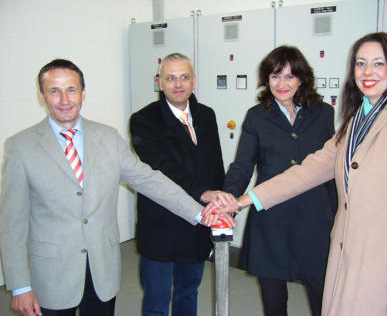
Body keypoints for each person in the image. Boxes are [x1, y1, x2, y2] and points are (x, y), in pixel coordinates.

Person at [211, 32, 387, 316]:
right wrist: (240, 201)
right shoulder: (358, 118)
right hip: (348, 251)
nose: (367, 71)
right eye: (360, 63)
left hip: (386, 260)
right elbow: (307, 170)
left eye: (378, 63)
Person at [0, 59, 231, 316]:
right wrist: (20, 285)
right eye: (54, 91)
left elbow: (149, 180)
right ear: (42, 95)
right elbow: (12, 224)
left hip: (102, 270)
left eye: (71, 90)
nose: (64, 99)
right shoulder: (20, 147)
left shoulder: (107, 138)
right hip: (53, 273)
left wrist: (201, 213)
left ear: (83, 93)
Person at [221, 45, 337, 316]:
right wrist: (228, 198)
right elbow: (242, 165)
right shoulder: (257, 116)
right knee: (274, 302)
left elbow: (330, 166)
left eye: (289, 76)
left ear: (301, 79)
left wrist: (339, 212)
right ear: (266, 80)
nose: (281, 84)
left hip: (315, 219)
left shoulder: (323, 114)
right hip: (271, 219)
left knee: (323, 296)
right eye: (275, 76)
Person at [129, 52, 228, 316]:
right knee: (157, 303)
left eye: (184, 77)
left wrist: (222, 201)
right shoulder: (143, 119)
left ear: (194, 81)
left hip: (197, 224)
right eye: (170, 78)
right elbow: (164, 168)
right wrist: (205, 193)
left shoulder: (206, 115)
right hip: (161, 227)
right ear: (160, 82)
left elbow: (215, 164)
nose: (178, 84)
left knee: (188, 293)